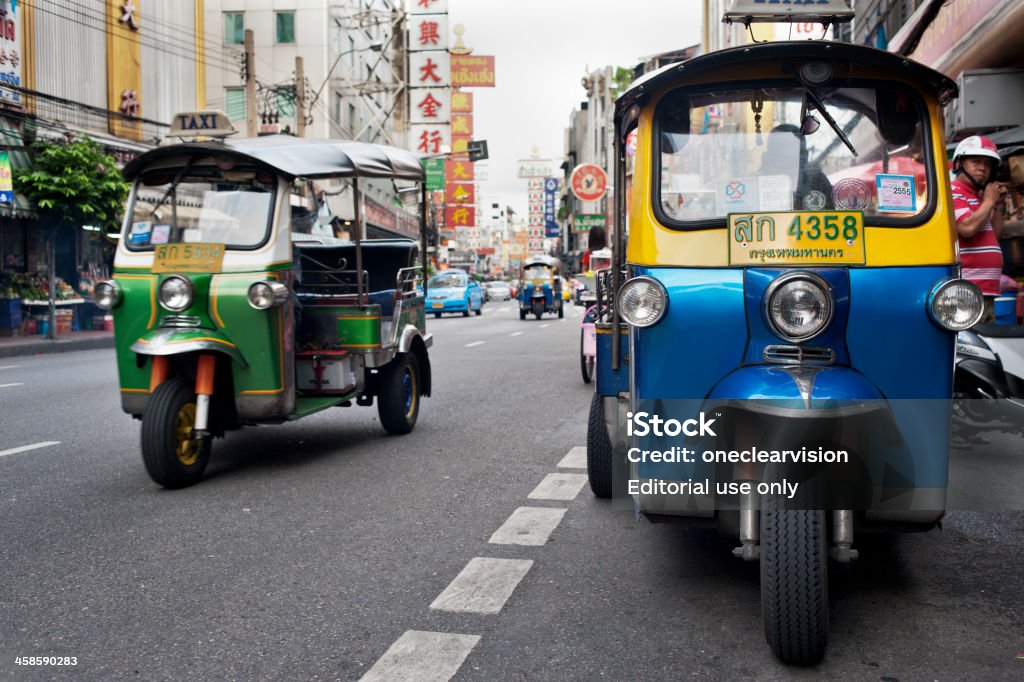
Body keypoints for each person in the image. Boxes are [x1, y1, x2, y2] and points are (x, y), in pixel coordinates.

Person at [950, 135, 1007, 323]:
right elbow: (967, 228)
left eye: (987, 164)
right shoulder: (953, 191)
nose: (982, 168)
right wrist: (990, 201)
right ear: (959, 163)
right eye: (975, 162)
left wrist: (997, 205)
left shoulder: (979, 198)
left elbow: (995, 235)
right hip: (968, 292)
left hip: (986, 291)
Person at [759, 124, 833, 210]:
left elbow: (832, 216)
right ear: (768, 156)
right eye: (779, 151)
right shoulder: (756, 183)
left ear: (804, 155)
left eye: (790, 151)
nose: (783, 157)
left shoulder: (817, 181)